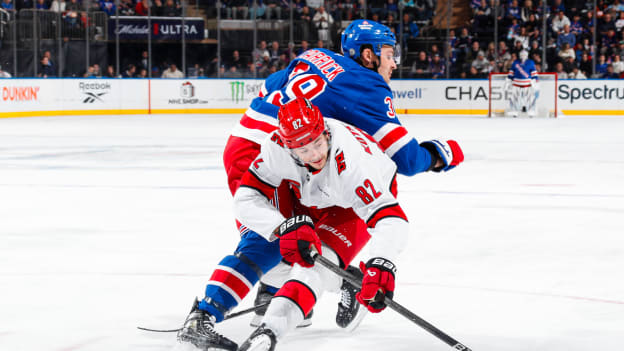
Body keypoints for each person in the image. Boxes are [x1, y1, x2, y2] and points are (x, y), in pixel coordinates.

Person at [177, 19, 464, 351]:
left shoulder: (316, 55)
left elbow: (272, 85)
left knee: (289, 235)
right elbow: (409, 160)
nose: (394, 62)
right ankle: (242, 302)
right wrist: (443, 153)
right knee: (277, 239)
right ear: (369, 55)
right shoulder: (366, 86)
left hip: (251, 144)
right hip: (278, 153)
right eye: (389, 53)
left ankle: (278, 292)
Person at [234, 97, 459, 350]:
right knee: (289, 258)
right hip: (321, 195)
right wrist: (282, 227)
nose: (315, 154)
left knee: (314, 268)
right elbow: (245, 197)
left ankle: (269, 332)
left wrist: (382, 264)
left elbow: (391, 218)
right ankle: (348, 280)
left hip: (355, 204)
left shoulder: (352, 163)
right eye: (304, 150)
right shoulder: (275, 147)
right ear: (288, 148)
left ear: (324, 132)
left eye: (318, 143)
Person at [504, 50, 538, 117]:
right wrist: (508, 80)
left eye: (524, 54)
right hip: (516, 83)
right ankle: (514, 111)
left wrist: (535, 80)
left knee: (530, 98)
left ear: (527, 55)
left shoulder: (530, 62)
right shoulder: (515, 62)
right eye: (522, 54)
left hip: (527, 84)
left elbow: (534, 72)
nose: (523, 56)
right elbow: (511, 72)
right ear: (519, 55)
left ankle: (531, 111)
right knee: (514, 98)